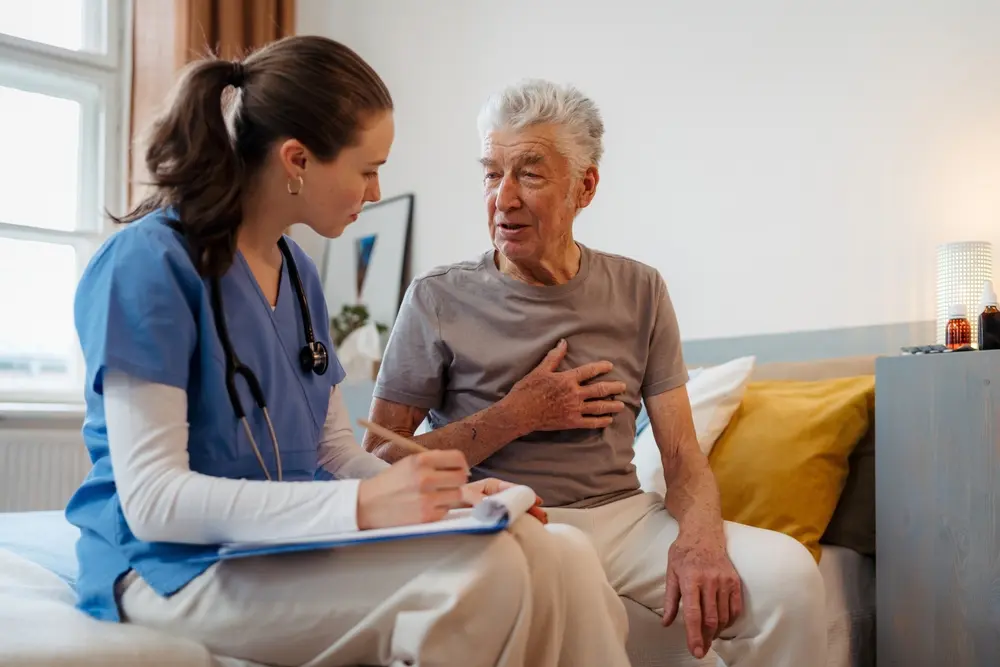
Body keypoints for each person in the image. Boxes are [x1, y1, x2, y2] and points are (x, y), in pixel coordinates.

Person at [66, 40, 631, 667]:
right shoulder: (148, 265)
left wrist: (446, 495)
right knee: (490, 575)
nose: (376, 187)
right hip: (173, 565)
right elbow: (154, 502)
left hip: (286, 539)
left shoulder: (297, 271)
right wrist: (362, 506)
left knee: (563, 555)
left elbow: (333, 451)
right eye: (367, 168)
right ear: (297, 160)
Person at [365, 79, 828, 667]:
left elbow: (682, 456)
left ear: (585, 187)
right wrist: (517, 415)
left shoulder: (641, 290)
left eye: (529, 174)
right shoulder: (436, 298)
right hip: (504, 519)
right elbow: (378, 463)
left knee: (788, 577)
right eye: (490, 173)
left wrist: (701, 537)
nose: (503, 197)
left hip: (624, 517)